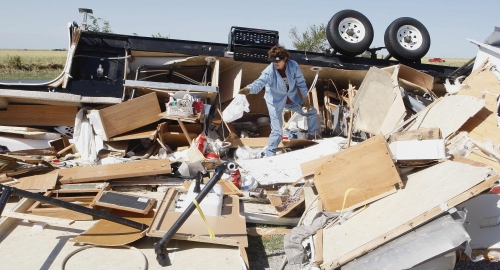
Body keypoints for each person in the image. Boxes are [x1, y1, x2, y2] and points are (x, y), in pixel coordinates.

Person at [238, 45, 319, 157]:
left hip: (291, 99)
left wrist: (305, 97)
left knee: (312, 112)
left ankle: (313, 136)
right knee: (277, 131)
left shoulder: (293, 66)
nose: (275, 64)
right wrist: (247, 89)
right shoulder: (269, 71)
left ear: (285, 58)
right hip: (275, 102)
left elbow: (301, 81)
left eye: (278, 61)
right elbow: (259, 83)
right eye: (273, 61)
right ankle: (270, 153)